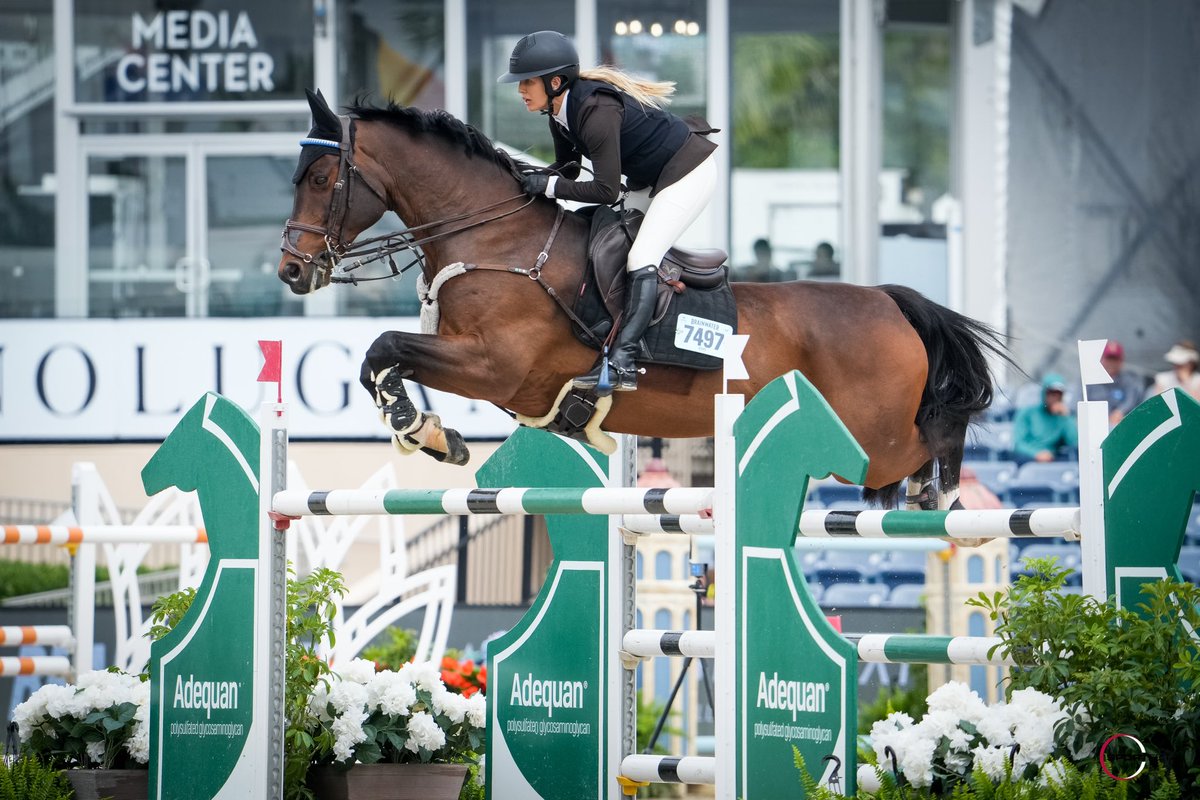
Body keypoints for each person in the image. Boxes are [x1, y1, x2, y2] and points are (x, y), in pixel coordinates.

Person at [498, 30, 718, 393]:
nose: (521, 90)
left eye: (527, 82)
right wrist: (521, 175)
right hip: (653, 177)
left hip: (687, 173)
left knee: (641, 257)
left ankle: (623, 363)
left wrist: (547, 186)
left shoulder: (595, 111)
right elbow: (567, 171)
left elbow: (605, 190)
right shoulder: (559, 112)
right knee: (604, 242)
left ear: (555, 82)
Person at [1011, 373, 1078, 465]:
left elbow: (1074, 442)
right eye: (1051, 393)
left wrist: (1067, 417)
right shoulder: (1027, 413)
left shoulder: (1063, 417)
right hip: (1028, 458)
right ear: (1044, 393)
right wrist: (1036, 454)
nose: (1055, 397)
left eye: (1058, 394)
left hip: (1052, 459)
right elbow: (1018, 443)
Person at [1085, 340, 1145, 426]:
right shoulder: (1089, 380)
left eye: (1115, 360)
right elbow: (1077, 403)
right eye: (1109, 359)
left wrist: (1120, 411)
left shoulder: (1129, 381)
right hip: (1092, 423)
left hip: (1119, 426)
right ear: (1102, 360)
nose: (1111, 363)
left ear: (1121, 361)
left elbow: (1131, 400)